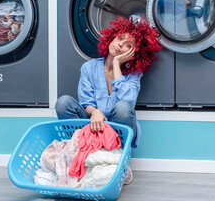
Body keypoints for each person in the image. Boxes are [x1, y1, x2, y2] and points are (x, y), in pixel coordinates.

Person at [55, 16, 162, 184]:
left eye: (129, 45)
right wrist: (95, 112)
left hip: (116, 130)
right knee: (63, 102)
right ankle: (80, 151)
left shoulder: (133, 75)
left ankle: (118, 159)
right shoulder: (89, 67)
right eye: (120, 38)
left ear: (134, 53)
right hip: (91, 125)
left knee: (122, 107)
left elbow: (127, 103)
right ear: (112, 37)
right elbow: (86, 100)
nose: (120, 44)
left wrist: (117, 64)